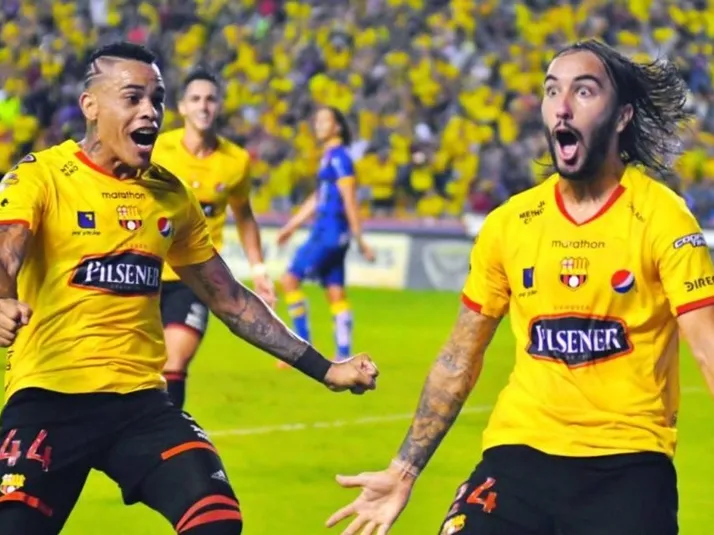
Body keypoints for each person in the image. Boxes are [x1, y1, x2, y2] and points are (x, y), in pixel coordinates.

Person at [326, 40, 714, 535]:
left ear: (622, 117)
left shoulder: (663, 218)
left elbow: (707, 349)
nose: (562, 106)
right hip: (517, 457)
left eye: (584, 91)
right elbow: (459, 358)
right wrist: (403, 470)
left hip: (627, 464)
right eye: (552, 92)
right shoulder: (510, 223)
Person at [0, 42, 378, 535]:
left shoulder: (170, 194)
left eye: (156, 99)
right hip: (49, 399)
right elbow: (6, 251)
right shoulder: (41, 176)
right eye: (132, 98)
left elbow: (230, 299)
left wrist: (326, 368)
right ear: (90, 105)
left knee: (217, 521)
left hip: (141, 404)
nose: (149, 111)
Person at [151, 67, 275, 410]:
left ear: (219, 105)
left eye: (210, 99)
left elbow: (244, 216)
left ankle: (169, 431)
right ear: (182, 106)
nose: (203, 106)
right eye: (195, 99)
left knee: (174, 363)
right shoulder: (158, 149)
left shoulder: (235, 161)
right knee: (137, 368)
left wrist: (259, 270)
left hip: (195, 277)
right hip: (146, 271)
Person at [277, 107, 375, 362]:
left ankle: (301, 348)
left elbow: (349, 198)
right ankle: (343, 353)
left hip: (328, 230)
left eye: (324, 121)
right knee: (335, 291)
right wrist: (291, 226)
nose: (318, 125)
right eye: (317, 120)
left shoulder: (340, 158)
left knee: (289, 280)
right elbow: (319, 196)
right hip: (335, 233)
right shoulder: (330, 156)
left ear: (337, 127)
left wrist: (360, 238)